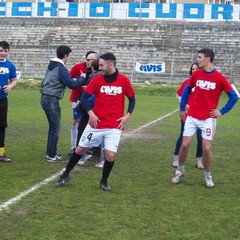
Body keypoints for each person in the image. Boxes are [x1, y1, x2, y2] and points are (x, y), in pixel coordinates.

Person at [55, 52, 136, 191]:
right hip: (96, 125)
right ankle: (65, 174)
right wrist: (91, 114)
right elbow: (84, 98)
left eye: (102, 65)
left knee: (110, 155)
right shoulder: (97, 80)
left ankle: (104, 181)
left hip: (114, 126)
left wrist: (127, 116)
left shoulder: (123, 80)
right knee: (80, 149)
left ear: (111, 65)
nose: (100, 68)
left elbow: (132, 99)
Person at [171, 48, 238, 188]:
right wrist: (183, 108)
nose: (198, 60)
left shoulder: (220, 78)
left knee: (207, 148)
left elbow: (234, 96)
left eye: (200, 57)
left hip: (208, 119)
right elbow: (187, 90)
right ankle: (180, 170)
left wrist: (222, 111)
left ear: (207, 59)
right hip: (192, 116)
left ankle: (208, 175)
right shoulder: (197, 75)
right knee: (185, 144)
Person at [40, 45, 86, 163]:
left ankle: (51, 153)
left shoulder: (52, 65)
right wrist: (81, 78)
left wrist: (74, 79)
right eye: (68, 55)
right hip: (51, 99)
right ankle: (51, 155)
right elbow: (71, 84)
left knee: (53, 128)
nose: (68, 58)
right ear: (66, 55)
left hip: (46, 97)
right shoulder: (60, 67)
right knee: (55, 128)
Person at [172, 62, 203, 169]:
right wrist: (185, 105)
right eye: (193, 69)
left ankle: (199, 160)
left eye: (196, 69)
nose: (194, 70)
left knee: (200, 138)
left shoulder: (203, 83)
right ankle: (176, 158)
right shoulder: (187, 82)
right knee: (183, 136)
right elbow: (178, 95)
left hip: (200, 115)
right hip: (187, 115)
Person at [68, 51, 97, 156]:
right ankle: (74, 147)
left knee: (90, 123)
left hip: (90, 101)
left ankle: (89, 147)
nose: (88, 61)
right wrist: (80, 80)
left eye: (91, 60)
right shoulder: (78, 67)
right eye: (87, 59)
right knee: (77, 122)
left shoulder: (97, 71)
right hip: (77, 99)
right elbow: (69, 79)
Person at [0, 41, 18, 163]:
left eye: (5, 51)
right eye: (1, 50)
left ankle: (1, 153)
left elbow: (14, 80)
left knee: (1, 126)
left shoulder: (10, 65)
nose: (3, 53)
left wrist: (10, 86)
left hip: (2, 100)